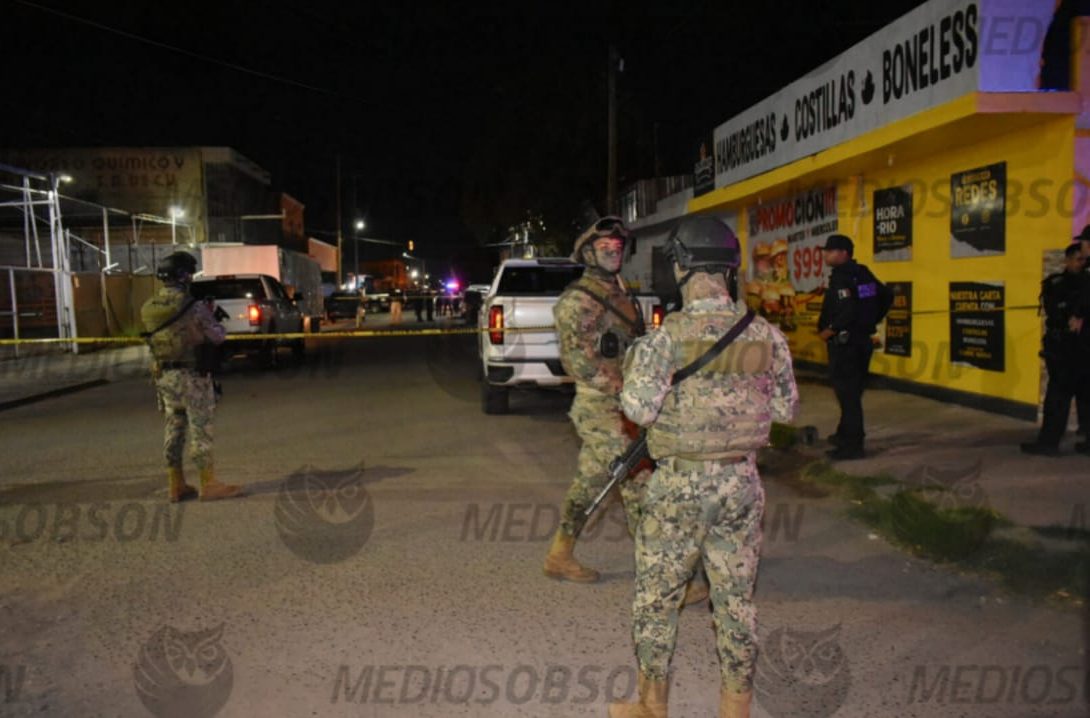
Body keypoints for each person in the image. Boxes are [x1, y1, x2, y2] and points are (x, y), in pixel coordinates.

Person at [611, 215, 799, 718]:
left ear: (680, 267)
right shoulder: (767, 335)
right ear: (729, 269)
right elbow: (786, 409)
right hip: (741, 483)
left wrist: (635, 365)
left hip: (680, 486)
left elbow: (637, 410)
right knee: (735, 601)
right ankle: (735, 710)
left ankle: (652, 708)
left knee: (657, 598)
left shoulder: (666, 339)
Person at [544, 215, 651, 583]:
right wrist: (622, 388)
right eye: (605, 246)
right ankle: (662, 576)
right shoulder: (577, 300)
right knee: (638, 479)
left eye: (618, 247)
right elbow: (577, 362)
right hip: (599, 407)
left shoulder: (620, 293)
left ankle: (559, 555)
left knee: (590, 483)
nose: (613, 252)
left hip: (624, 407)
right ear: (588, 253)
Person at [141, 251, 244, 502]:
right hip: (192, 375)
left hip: (164, 376)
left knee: (174, 427)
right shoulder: (193, 306)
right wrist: (212, 318)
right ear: (183, 275)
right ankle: (209, 484)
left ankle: (175, 484)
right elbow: (217, 336)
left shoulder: (149, 307)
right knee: (200, 428)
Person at [816, 234, 892, 460]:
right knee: (852, 393)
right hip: (861, 341)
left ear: (843, 253)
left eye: (830, 251)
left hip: (846, 344)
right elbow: (886, 295)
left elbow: (847, 310)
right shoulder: (862, 273)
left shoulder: (843, 277)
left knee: (848, 395)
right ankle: (844, 434)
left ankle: (852, 446)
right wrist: (870, 320)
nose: (825, 255)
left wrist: (830, 330)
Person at [1022, 243, 1089, 455]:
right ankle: (1049, 442)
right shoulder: (1056, 283)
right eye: (1078, 259)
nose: (1082, 263)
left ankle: (1068, 443)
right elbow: (1055, 312)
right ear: (1067, 260)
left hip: (1085, 349)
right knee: (1058, 397)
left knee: (1085, 397)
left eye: (1085, 259)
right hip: (1065, 349)